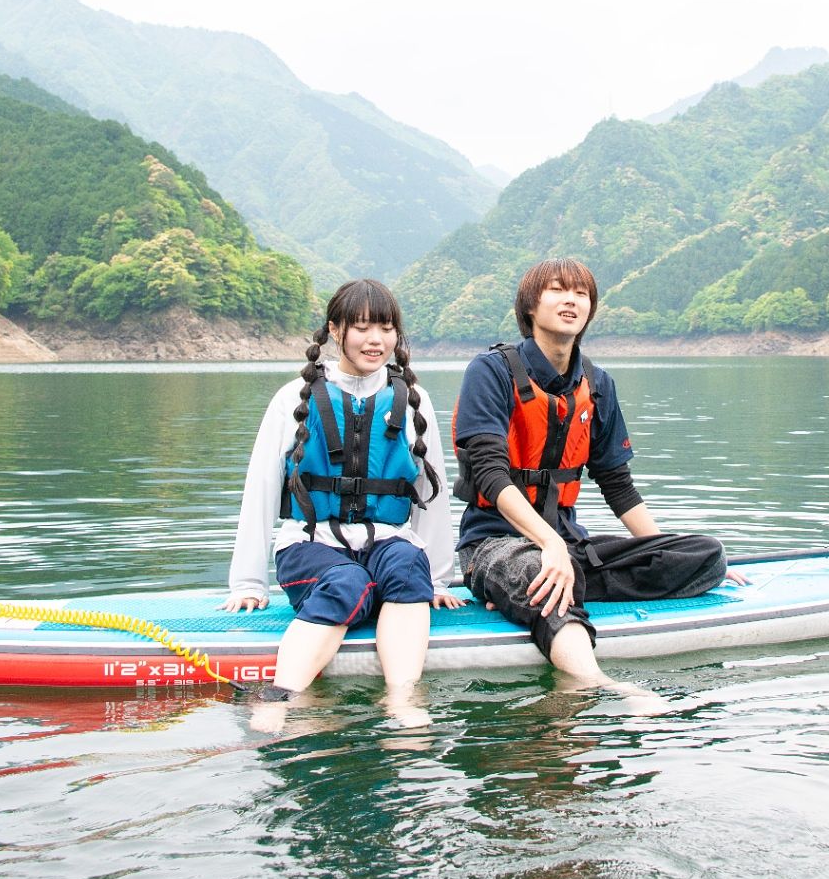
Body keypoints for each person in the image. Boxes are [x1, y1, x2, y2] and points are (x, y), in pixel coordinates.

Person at [452, 258, 741, 692]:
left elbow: (617, 484)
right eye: (557, 290)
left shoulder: (598, 383)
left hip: (571, 546)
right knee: (539, 570)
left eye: (581, 293)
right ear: (530, 306)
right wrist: (547, 544)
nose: (571, 300)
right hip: (494, 542)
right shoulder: (490, 372)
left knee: (705, 554)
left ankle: (525, 592)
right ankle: (599, 682)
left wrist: (669, 552)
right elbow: (492, 476)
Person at [226, 279, 462, 718]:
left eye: (387, 328)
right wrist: (248, 583)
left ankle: (403, 702)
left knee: (410, 567)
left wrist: (439, 580)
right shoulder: (293, 398)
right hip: (310, 545)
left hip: (386, 540)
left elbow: (433, 492)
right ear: (336, 330)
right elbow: (259, 488)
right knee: (346, 583)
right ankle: (280, 700)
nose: (377, 340)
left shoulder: (412, 399)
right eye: (363, 327)